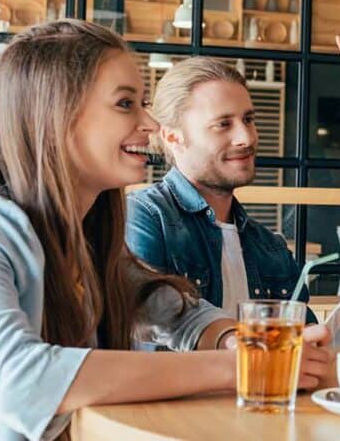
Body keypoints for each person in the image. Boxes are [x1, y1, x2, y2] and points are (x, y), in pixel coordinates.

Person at [0, 20, 330, 441]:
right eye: (126, 104)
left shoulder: (87, 234)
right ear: (55, 113)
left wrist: (238, 341)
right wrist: (249, 366)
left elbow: (172, 309)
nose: (149, 122)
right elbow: (16, 379)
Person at [127, 57, 314, 322]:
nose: (246, 138)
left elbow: (302, 344)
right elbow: (147, 332)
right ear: (172, 137)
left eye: (248, 119)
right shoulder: (145, 216)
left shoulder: (271, 248)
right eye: (223, 124)